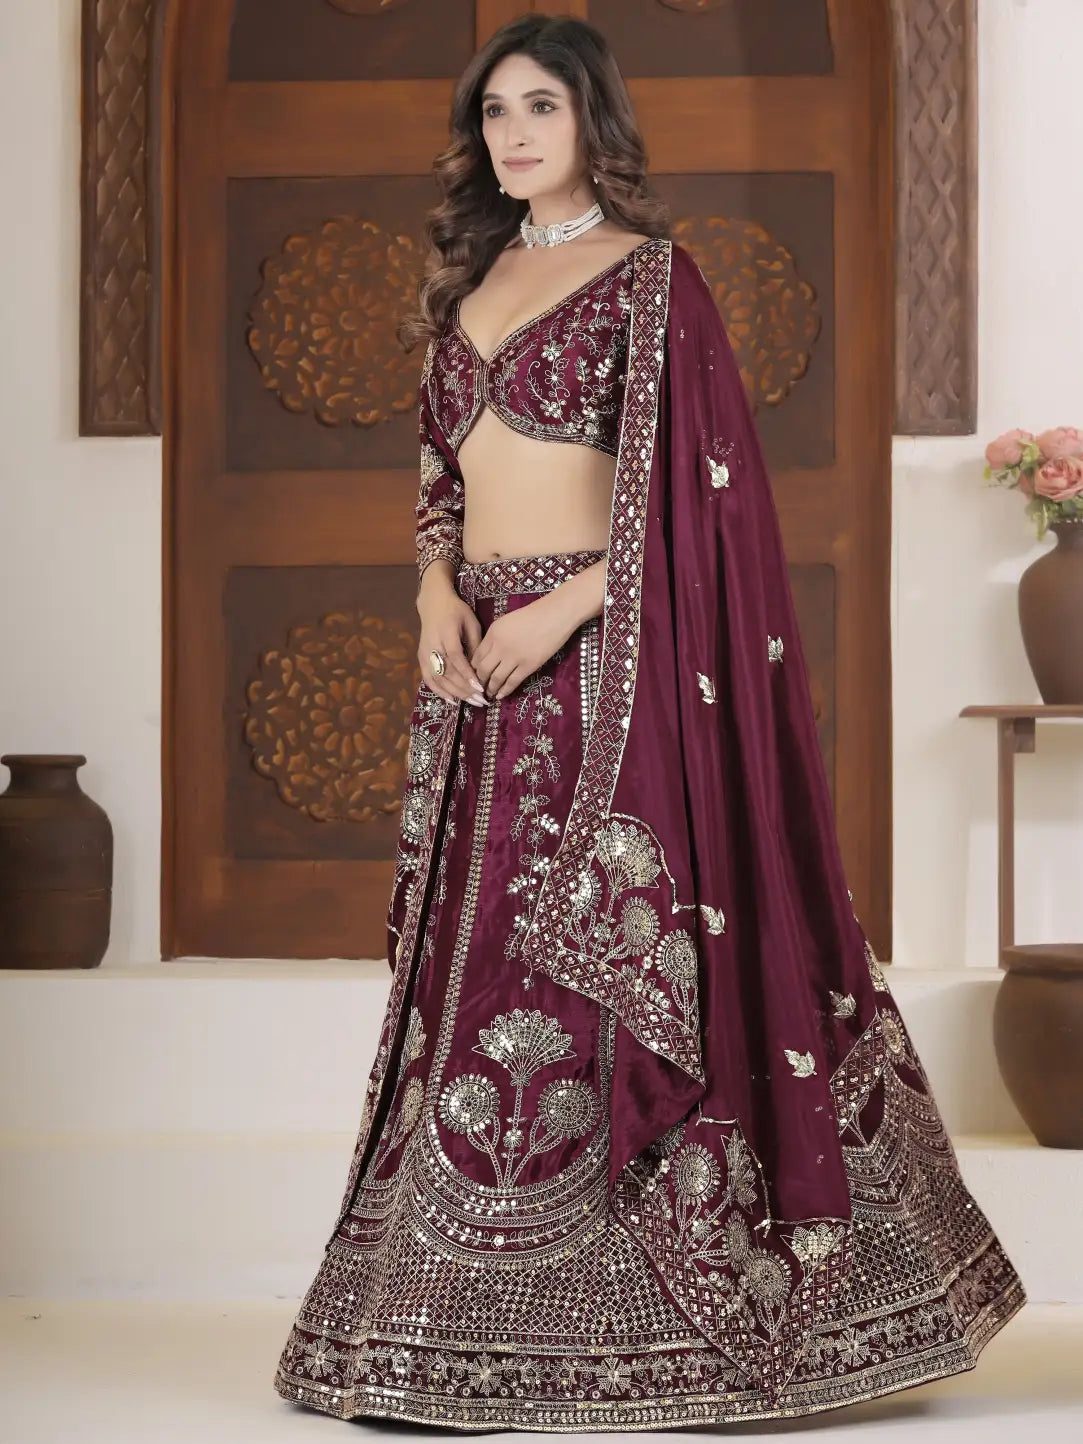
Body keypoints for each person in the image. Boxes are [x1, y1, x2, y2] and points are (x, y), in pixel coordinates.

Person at [274, 13, 1025, 1430]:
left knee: (576, 980)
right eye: (495, 110)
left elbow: (700, 512)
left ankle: (652, 1323)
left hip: (607, 672)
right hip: (479, 675)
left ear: (593, 120)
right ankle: (447, 1331)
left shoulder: (655, 282)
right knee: (468, 984)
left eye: (542, 107)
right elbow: (440, 472)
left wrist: (562, 610)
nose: (514, 134)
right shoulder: (473, 280)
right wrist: (436, 593)